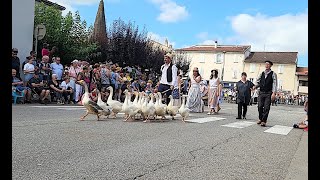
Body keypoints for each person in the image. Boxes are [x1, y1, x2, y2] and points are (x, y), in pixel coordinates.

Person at [254, 60, 278, 126]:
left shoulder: (273, 74)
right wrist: (255, 86)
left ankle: (264, 121)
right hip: (261, 92)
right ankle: (260, 118)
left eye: (268, 64)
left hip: (268, 93)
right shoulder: (262, 73)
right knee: (260, 106)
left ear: (270, 66)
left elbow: (275, 84)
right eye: (266, 64)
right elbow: (258, 82)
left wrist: (274, 93)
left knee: (266, 107)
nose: (266, 65)